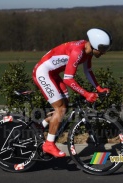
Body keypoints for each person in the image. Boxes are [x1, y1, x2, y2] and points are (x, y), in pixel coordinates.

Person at [32, 28, 112, 157]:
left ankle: (40, 126)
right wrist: (86, 94)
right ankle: (49, 144)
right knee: (60, 108)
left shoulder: (87, 51)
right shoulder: (78, 51)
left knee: (64, 105)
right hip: (43, 72)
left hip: (52, 74)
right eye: (103, 49)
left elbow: (88, 71)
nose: (104, 53)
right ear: (95, 44)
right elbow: (68, 79)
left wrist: (98, 88)